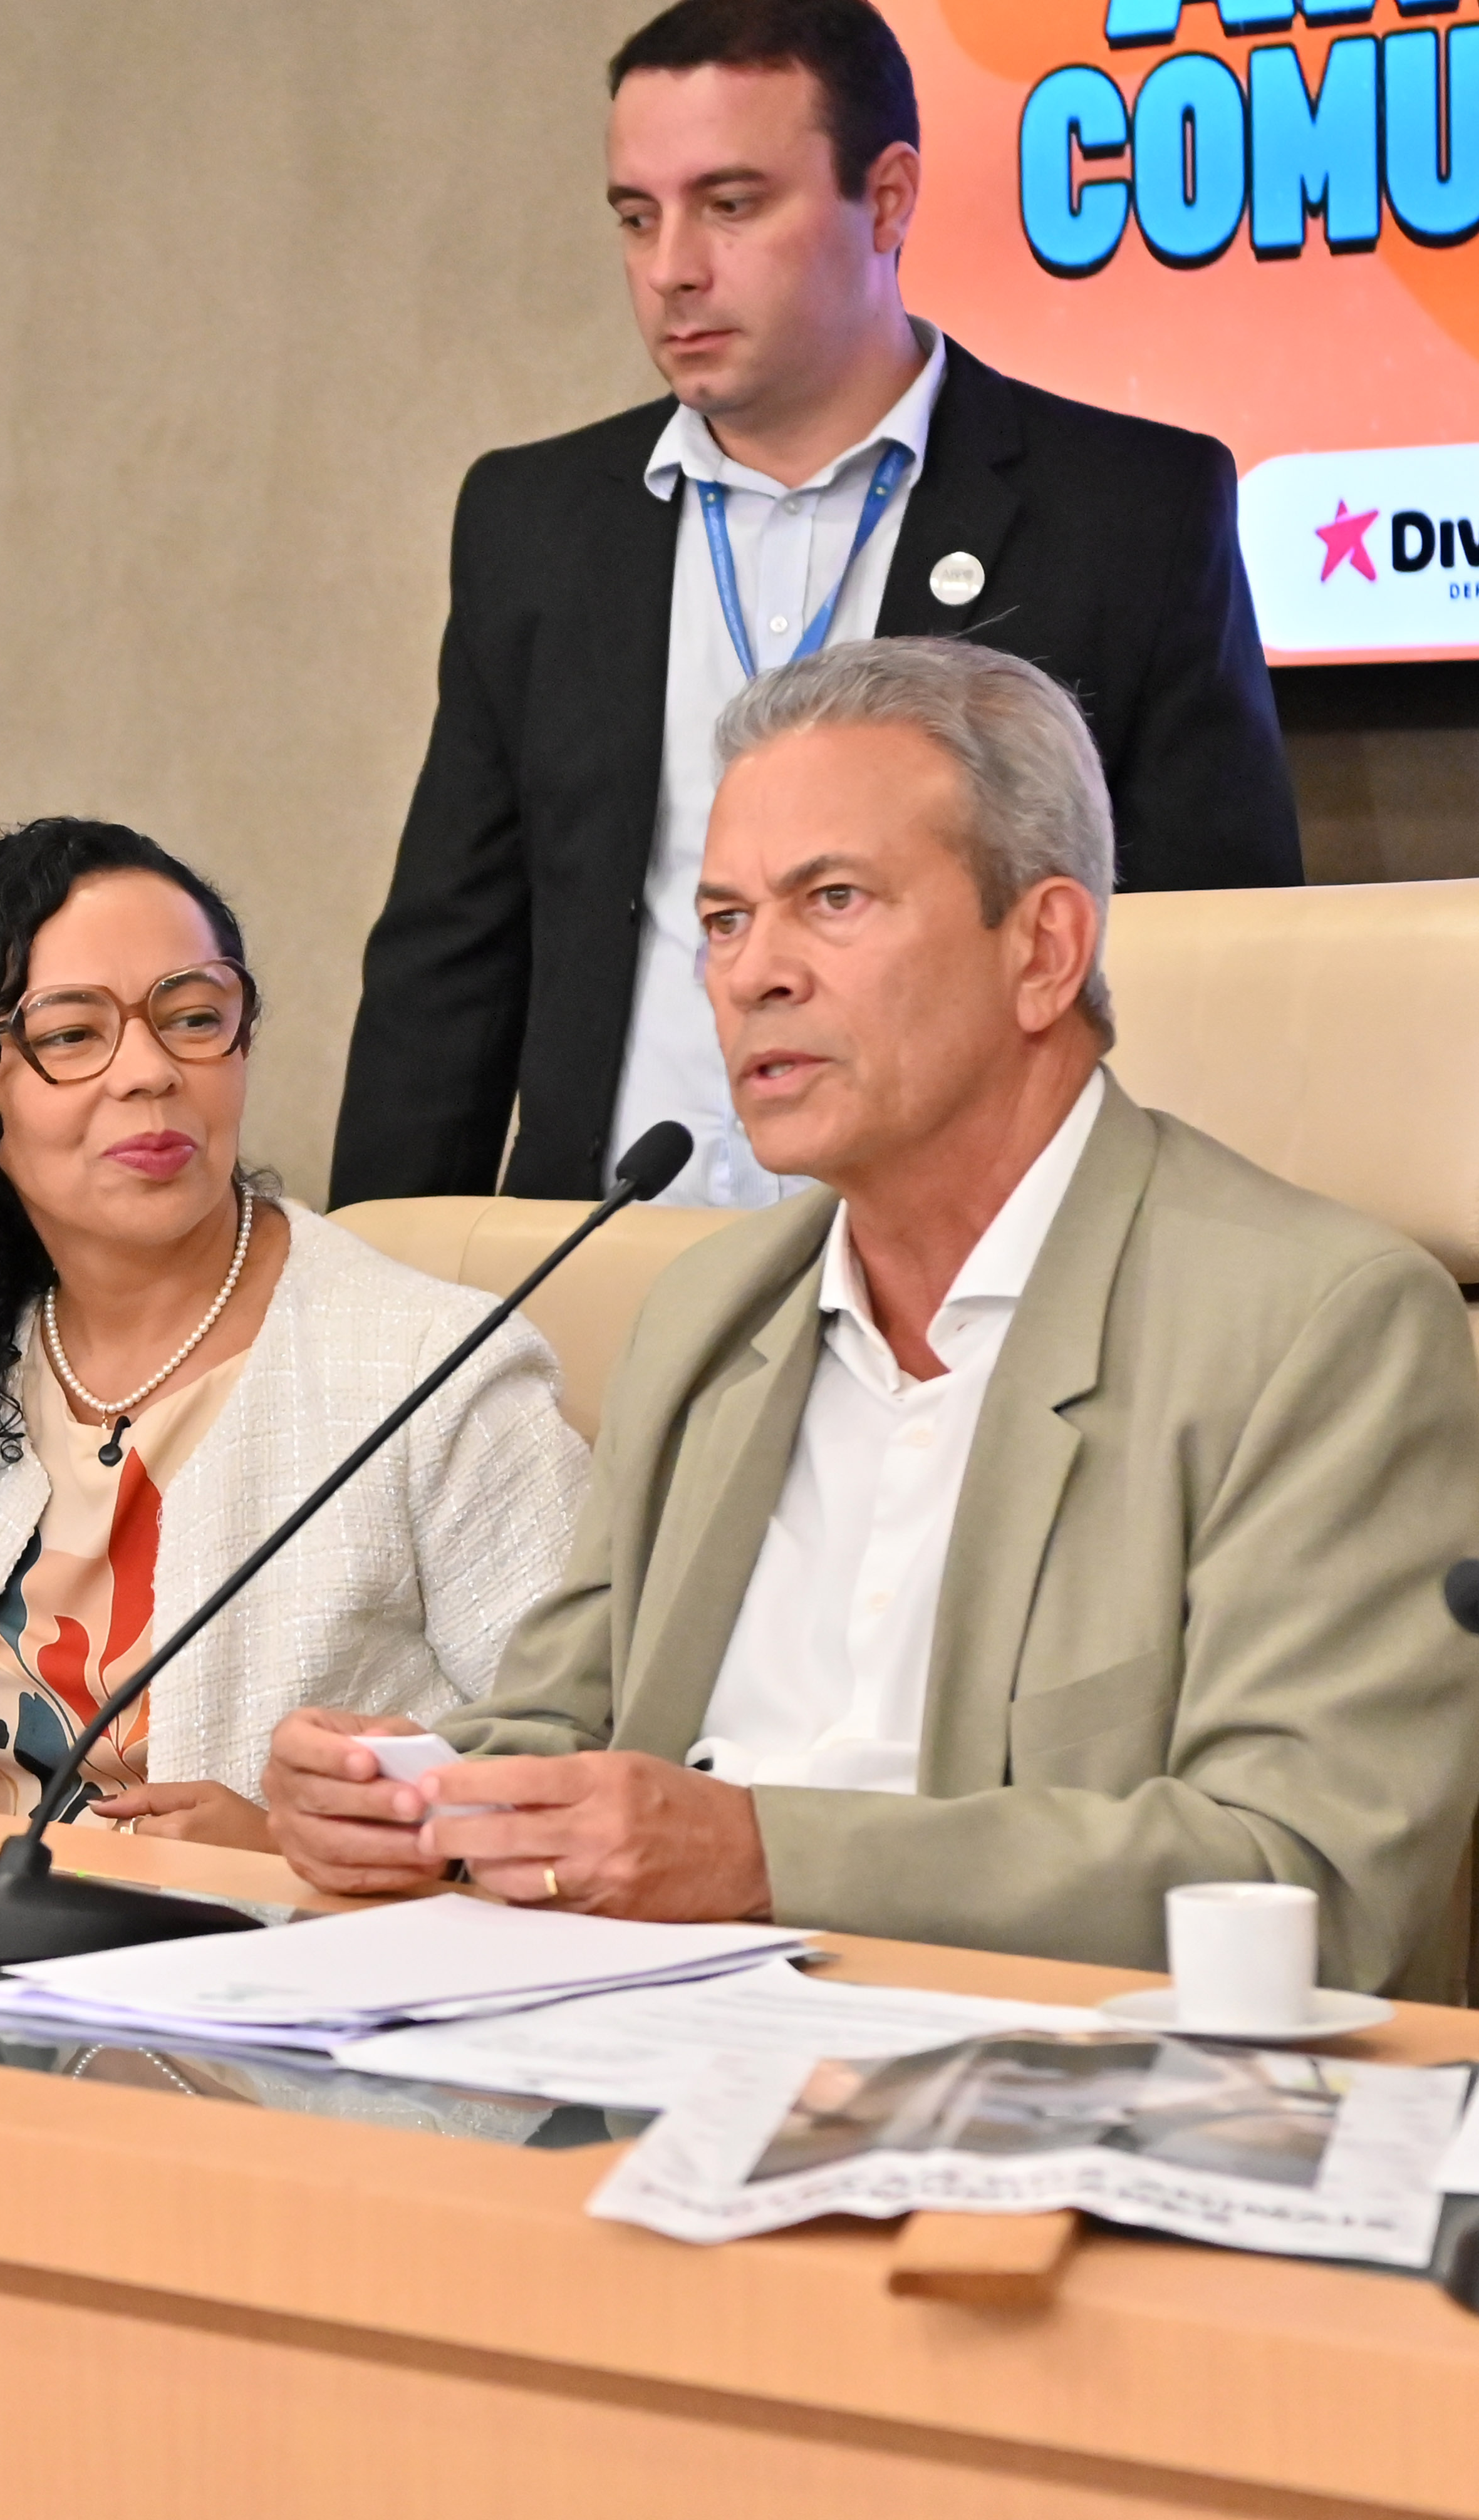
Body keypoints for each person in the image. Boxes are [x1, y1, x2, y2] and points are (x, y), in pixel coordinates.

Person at [267, 639, 1479, 1998]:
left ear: (1044, 948)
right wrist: (412, 1796)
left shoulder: (1320, 1327)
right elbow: (563, 1722)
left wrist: (760, 1854)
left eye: (830, 899)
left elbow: (1301, 1875)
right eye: (724, 919)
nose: (752, 974)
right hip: (648, 2048)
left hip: (1049, 2077)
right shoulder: (711, 1312)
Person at [330, 0, 1295, 1216]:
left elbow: (1214, 965)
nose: (671, 267)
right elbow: (448, 963)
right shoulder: (534, 522)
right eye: (636, 216)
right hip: (603, 1257)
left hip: (971, 1275)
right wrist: (369, 1284)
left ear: (886, 200)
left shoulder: (1128, 512)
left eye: (730, 205)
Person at [0, 822, 589, 1845]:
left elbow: (577, 1760)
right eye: (72, 1035)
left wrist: (289, 1853)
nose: (149, 1072)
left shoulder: (436, 1371)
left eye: (194, 1018)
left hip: (256, 1941)